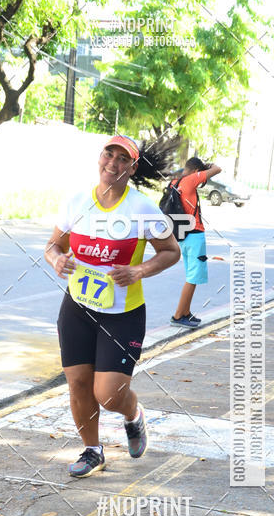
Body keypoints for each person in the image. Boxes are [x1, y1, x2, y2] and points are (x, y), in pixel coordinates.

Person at [44, 135, 180, 478]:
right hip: (77, 307)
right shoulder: (77, 202)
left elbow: (171, 252)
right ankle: (92, 450)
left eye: (123, 159)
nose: (113, 163)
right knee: (78, 383)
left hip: (122, 314)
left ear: (132, 168)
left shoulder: (143, 209)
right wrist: (57, 259)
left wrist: (139, 270)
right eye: (109, 154)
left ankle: (133, 414)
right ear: (100, 157)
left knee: (108, 395)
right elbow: (52, 246)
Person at [170, 157, 221, 328]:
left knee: (191, 275)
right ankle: (178, 316)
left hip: (183, 235)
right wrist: (207, 167)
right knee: (193, 277)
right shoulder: (191, 179)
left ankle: (186, 312)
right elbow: (217, 169)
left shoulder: (175, 182)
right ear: (196, 171)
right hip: (195, 234)